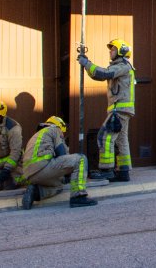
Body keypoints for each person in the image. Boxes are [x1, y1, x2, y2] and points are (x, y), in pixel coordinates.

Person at [78, 39, 136, 182]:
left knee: (104, 137)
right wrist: (87, 65)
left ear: (120, 52)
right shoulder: (119, 66)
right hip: (122, 109)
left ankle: (106, 170)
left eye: (113, 49)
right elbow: (98, 75)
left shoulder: (122, 66)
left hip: (119, 109)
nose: (110, 52)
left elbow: (103, 74)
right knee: (121, 140)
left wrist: (86, 63)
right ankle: (123, 172)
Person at [20, 116, 97, 209]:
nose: (62, 136)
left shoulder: (36, 135)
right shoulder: (54, 129)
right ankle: (78, 196)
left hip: (30, 176)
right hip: (42, 168)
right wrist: (69, 173)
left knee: (59, 186)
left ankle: (35, 192)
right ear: (59, 127)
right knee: (80, 159)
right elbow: (62, 154)